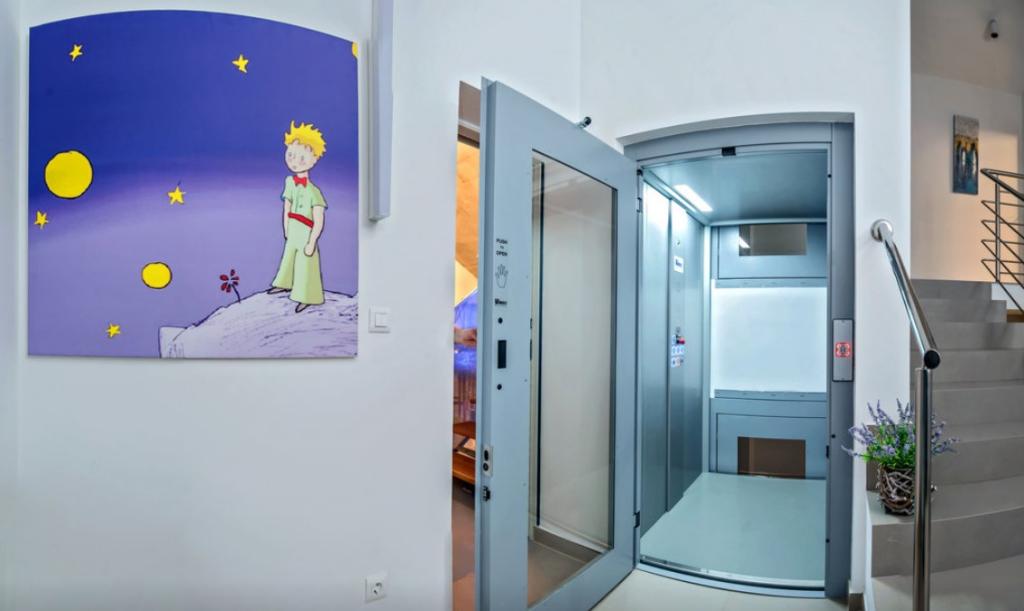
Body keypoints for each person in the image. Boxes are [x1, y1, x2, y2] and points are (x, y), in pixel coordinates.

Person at [268, 121, 328, 313]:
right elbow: (287, 205)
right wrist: (286, 226)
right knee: (288, 257)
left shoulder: (314, 192)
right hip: (293, 227)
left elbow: (319, 220)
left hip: (306, 231)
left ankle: (307, 295)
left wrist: (312, 241)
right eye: (291, 155)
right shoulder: (289, 182)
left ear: (314, 159)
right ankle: (284, 283)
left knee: (305, 262)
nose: (294, 161)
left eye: (301, 158)